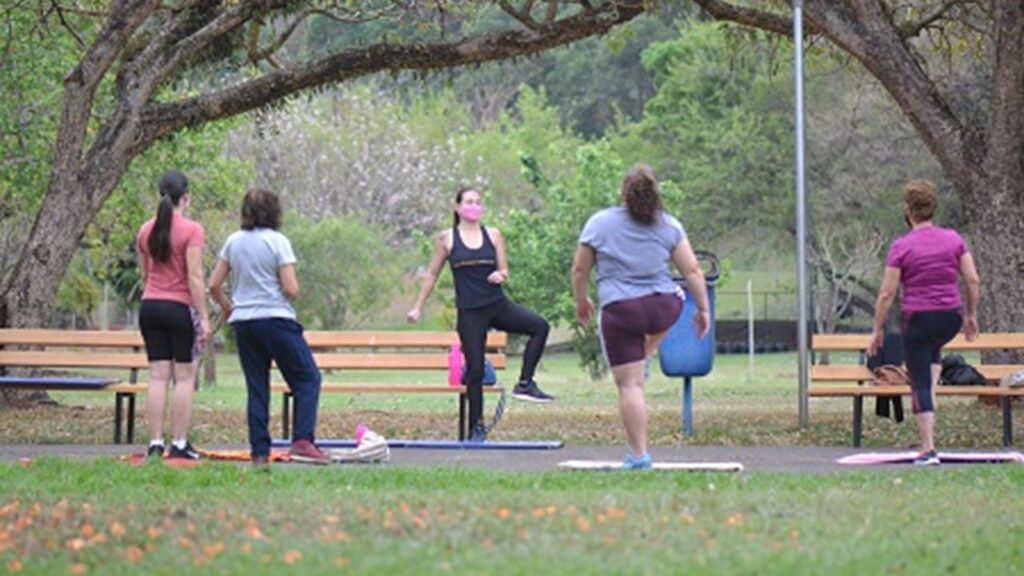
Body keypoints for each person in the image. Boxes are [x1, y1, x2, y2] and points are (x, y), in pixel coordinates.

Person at [571, 164, 710, 470]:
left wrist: (581, 301)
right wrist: (703, 309)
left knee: (630, 386)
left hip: (620, 311)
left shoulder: (599, 222)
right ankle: (647, 350)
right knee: (677, 295)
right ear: (655, 193)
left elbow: (581, 269)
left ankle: (639, 456)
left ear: (624, 192)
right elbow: (692, 270)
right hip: (661, 306)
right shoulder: (669, 225)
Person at [407, 186, 553, 442]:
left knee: (540, 326)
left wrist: (501, 274)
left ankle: (526, 383)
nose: (474, 206)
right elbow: (432, 273)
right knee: (474, 370)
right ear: (458, 207)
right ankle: (477, 427)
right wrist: (418, 306)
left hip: (497, 305)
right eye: (469, 201)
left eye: (478, 202)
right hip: (470, 313)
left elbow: (504, 268)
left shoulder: (494, 235)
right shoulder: (447, 239)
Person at [208, 188, 331, 466]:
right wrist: (287, 293)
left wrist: (230, 307)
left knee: (257, 387)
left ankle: (260, 451)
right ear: (274, 212)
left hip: (244, 323)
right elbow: (291, 288)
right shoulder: (278, 241)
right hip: (275, 320)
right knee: (307, 378)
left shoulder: (233, 242)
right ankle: (302, 440)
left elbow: (214, 284)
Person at [868, 179, 980, 466]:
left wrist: (877, 330)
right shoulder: (954, 239)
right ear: (933, 209)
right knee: (929, 374)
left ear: (908, 211)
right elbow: (972, 279)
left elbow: (887, 293)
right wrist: (970, 315)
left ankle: (928, 448)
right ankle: (927, 432)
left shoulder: (902, 246)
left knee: (917, 384)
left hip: (919, 319)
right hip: (949, 319)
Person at [136, 170, 211, 460]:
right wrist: (203, 316)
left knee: (157, 377)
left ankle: (155, 443)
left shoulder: (145, 230)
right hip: (179, 308)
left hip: (150, 307)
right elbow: (195, 276)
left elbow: (145, 274)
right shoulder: (192, 230)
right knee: (184, 377)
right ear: (186, 197)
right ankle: (179, 443)